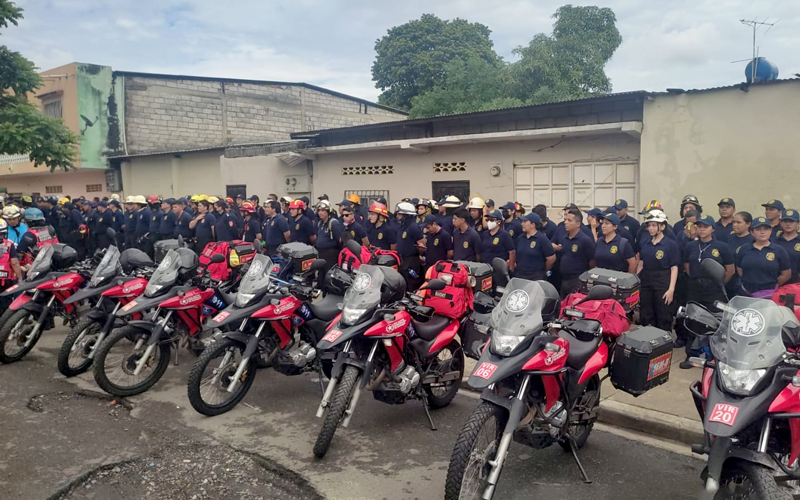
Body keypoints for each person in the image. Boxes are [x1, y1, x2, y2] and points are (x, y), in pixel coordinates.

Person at [681, 215, 735, 367]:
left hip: (714, 289)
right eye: (699, 226)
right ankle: (691, 355)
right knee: (692, 319)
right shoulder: (691, 246)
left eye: (705, 226)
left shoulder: (722, 247)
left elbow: (730, 270)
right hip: (695, 287)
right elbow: (686, 264)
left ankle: (713, 356)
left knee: (714, 323)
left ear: (713, 229)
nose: (702, 229)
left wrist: (719, 283)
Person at [637, 209, 680, 333]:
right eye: (649, 225)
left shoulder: (670, 244)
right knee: (646, 314)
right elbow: (641, 262)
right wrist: (636, 279)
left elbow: (674, 267)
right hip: (646, 282)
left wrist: (671, 289)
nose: (650, 228)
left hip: (663, 282)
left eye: (654, 225)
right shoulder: (645, 242)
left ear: (662, 226)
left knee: (663, 316)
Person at [736, 216, 791, 296]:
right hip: (746, 292)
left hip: (770, 294)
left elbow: (786, 274)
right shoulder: (744, 249)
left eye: (766, 229)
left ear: (771, 230)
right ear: (752, 232)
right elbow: (740, 269)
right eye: (758, 229)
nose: (762, 232)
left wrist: (772, 287)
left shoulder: (779, 250)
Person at [553, 208, 595, 297]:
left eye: (569, 220)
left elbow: (592, 261)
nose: (566, 222)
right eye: (565, 220)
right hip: (564, 280)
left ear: (578, 224)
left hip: (577, 280)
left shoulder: (585, 240)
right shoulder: (564, 239)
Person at [514, 213, 556, 280]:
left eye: (525, 222)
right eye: (522, 222)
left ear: (533, 225)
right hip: (520, 276)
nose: (522, 224)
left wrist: (542, 270)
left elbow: (551, 259)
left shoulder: (542, 239)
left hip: (535, 277)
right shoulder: (520, 238)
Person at [395, 202, 425, 290]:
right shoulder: (401, 227)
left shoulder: (414, 227)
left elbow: (422, 244)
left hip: (411, 261)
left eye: (400, 214)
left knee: (412, 284)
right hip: (402, 260)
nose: (397, 216)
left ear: (406, 215)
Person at [314, 200, 344, 275]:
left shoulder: (334, 223)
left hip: (331, 256)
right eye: (319, 211)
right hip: (321, 254)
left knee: (328, 276)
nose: (320, 213)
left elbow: (340, 241)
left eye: (323, 210)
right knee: (320, 275)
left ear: (328, 211)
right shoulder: (320, 223)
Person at [773, 209, 800, 284]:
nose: (788, 224)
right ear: (781, 223)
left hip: (796, 282)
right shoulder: (774, 241)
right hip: (776, 281)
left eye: (791, 221)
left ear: (798, 223)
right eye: (785, 221)